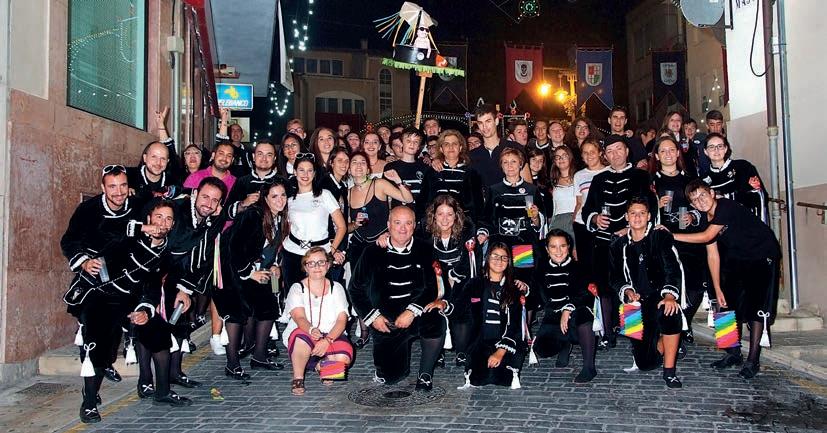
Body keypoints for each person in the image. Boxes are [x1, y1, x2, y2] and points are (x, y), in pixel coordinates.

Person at [672, 180, 781, 379]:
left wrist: (672, 236)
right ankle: (732, 353)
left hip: (761, 255)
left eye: (703, 195)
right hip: (737, 257)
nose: (700, 201)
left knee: (756, 307)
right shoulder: (706, 219)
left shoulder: (725, 207)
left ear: (712, 193)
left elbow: (706, 236)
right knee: (723, 304)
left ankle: (753, 360)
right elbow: (712, 255)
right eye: (695, 200)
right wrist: (717, 288)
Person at [349, 206, 446, 390]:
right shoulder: (371, 252)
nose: (403, 228)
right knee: (392, 377)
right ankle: (386, 369)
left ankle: (425, 374)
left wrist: (412, 311)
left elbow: (432, 287)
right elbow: (355, 289)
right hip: (386, 321)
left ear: (414, 226)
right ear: (388, 225)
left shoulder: (425, 249)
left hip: (416, 314)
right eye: (397, 223)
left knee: (435, 319)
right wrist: (373, 317)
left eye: (408, 223)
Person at [581, 135, 656, 349]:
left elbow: (650, 207)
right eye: (610, 151)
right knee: (604, 288)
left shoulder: (641, 176)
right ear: (605, 155)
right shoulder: (599, 179)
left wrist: (631, 228)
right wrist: (595, 218)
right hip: (604, 242)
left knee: (632, 286)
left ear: (627, 151)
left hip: (633, 243)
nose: (615, 154)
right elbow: (587, 209)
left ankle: (633, 335)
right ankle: (608, 332)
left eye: (619, 149)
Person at [610, 198, 685, 388]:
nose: (637, 217)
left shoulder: (659, 237)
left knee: (670, 311)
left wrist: (669, 296)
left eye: (642, 213)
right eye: (633, 213)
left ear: (649, 216)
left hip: (659, 296)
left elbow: (672, 269)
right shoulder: (618, 245)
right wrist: (627, 290)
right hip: (635, 304)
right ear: (626, 217)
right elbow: (615, 277)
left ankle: (670, 372)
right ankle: (665, 341)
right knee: (645, 363)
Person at [164, 177, 226, 377]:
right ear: (195, 194)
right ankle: (150, 383)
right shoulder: (178, 210)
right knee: (159, 330)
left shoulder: (210, 220)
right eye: (205, 197)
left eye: (215, 200)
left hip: (181, 279)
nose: (208, 204)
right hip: (159, 276)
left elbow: (204, 257)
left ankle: (175, 374)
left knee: (179, 325)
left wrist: (184, 288)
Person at [648, 136, 706, 345]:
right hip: (663, 240)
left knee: (696, 285)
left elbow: (703, 206)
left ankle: (684, 322)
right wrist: (656, 206)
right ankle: (671, 331)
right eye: (663, 151)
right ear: (656, 155)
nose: (668, 154)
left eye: (671, 150)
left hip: (689, 238)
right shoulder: (651, 181)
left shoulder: (689, 179)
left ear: (678, 152)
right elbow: (639, 211)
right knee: (669, 284)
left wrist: (692, 216)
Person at [452, 243, 525, 388]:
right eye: (495, 256)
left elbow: (515, 325)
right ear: (487, 258)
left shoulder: (514, 288)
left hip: (504, 342)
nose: (499, 261)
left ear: (509, 262)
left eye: (504, 257)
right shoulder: (475, 283)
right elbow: (458, 307)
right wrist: (443, 304)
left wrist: (500, 352)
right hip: (481, 341)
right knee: (478, 379)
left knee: (502, 378)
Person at [284, 247, 353, 396]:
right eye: (311, 263)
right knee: (301, 339)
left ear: (328, 265)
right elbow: (299, 317)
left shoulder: (337, 288)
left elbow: (342, 319)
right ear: (305, 267)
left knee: (343, 359)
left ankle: (322, 367)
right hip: (305, 331)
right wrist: (311, 330)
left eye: (321, 262)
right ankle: (298, 378)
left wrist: (328, 340)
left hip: (332, 333)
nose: (317, 267)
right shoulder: (297, 288)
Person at [422, 194, 481, 367]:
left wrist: (453, 276)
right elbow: (422, 257)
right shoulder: (425, 232)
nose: (445, 219)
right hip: (435, 278)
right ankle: (437, 350)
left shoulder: (467, 231)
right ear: (433, 215)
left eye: (449, 214)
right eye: (440, 214)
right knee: (433, 306)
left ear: (456, 216)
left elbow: (471, 261)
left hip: (460, 277)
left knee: (461, 305)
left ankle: (461, 350)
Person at [532, 229, 597, 382]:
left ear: (569, 247)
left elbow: (585, 295)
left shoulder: (580, 267)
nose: (558, 251)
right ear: (547, 249)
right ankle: (564, 344)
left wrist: (568, 308)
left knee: (584, 317)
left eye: (562, 246)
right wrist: (524, 288)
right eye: (553, 247)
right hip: (553, 315)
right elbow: (535, 292)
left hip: (575, 312)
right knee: (542, 349)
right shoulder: (541, 268)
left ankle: (589, 367)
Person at [281, 155, 347, 290]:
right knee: (294, 295)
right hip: (292, 253)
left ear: (314, 173)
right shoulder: (289, 199)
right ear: (295, 172)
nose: (305, 174)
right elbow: (286, 228)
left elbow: (342, 227)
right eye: (301, 170)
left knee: (321, 295)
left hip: (320, 254)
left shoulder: (325, 195)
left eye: (309, 170)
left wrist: (332, 250)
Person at [346, 151, 413, 264]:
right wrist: (354, 225)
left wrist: (398, 180)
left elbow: (408, 199)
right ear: (349, 170)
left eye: (363, 162)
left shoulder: (379, 184)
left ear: (368, 169)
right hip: (358, 247)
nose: (359, 165)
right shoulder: (347, 194)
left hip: (381, 243)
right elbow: (343, 228)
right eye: (354, 162)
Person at [701, 133, 769, 223]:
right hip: (720, 226)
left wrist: (724, 199)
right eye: (711, 147)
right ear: (705, 151)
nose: (716, 150)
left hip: (746, 222)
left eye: (720, 146)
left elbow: (758, 195)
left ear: (726, 149)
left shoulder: (743, 167)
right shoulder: (703, 179)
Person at [425, 130, 484, 224]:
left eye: (454, 144)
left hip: (463, 223)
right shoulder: (432, 172)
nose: (451, 147)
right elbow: (424, 201)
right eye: (446, 144)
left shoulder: (471, 173)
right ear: (441, 149)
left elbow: (478, 204)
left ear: (460, 147)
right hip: (436, 224)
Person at [469, 104, 532, 189]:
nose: (484, 127)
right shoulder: (473, 155)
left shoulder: (515, 148)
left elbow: (528, 186)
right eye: (480, 123)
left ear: (496, 121)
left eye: (488, 121)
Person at [127, 107, 180, 197]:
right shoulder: (129, 177)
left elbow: (171, 153)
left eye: (163, 159)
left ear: (167, 161)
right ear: (145, 158)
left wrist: (161, 126)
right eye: (154, 157)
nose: (158, 163)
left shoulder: (172, 181)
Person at [572, 138, 608, 266]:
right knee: (585, 264)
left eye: (592, 152)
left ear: (600, 153)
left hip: (603, 222)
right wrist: (573, 222)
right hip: (582, 224)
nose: (589, 156)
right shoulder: (578, 175)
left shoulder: (609, 171)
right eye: (585, 153)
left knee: (602, 263)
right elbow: (579, 202)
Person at [225, 139, 281, 219]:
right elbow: (226, 213)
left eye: (269, 155)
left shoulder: (283, 182)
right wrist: (243, 204)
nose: (264, 158)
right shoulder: (242, 182)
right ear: (253, 157)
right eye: (260, 154)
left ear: (274, 158)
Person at [384, 127, 431, 220]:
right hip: (399, 217)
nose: (412, 144)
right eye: (408, 141)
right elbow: (385, 196)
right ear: (402, 143)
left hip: (421, 218)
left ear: (419, 147)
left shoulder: (425, 167)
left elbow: (428, 196)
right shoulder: (390, 167)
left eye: (416, 142)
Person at [548, 145, 580, 239]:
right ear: (554, 161)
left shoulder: (579, 177)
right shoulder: (553, 182)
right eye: (557, 157)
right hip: (558, 221)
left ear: (570, 157)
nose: (561, 159)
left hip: (576, 219)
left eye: (564, 155)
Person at [216, 108, 253, 177]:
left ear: (242, 135)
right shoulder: (224, 147)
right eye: (233, 130)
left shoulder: (248, 151)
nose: (235, 132)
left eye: (238, 130)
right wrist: (224, 118)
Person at [526, 147, 553, 222]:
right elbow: (529, 207)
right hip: (528, 220)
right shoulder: (523, 181)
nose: (537, 163)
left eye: (540, 161)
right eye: (534, 159)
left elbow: (549, 208)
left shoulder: (546, 183)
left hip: (543, 221)